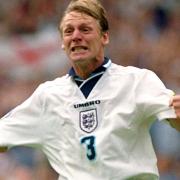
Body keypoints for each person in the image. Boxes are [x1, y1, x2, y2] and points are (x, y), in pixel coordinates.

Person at [0, 0, 180, 179]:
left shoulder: (137, 81)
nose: (76, 36)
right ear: (63, 43)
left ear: (105, 37)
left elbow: (174, 117)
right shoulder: (47, 96)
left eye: (85, 29)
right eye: (68, 31)